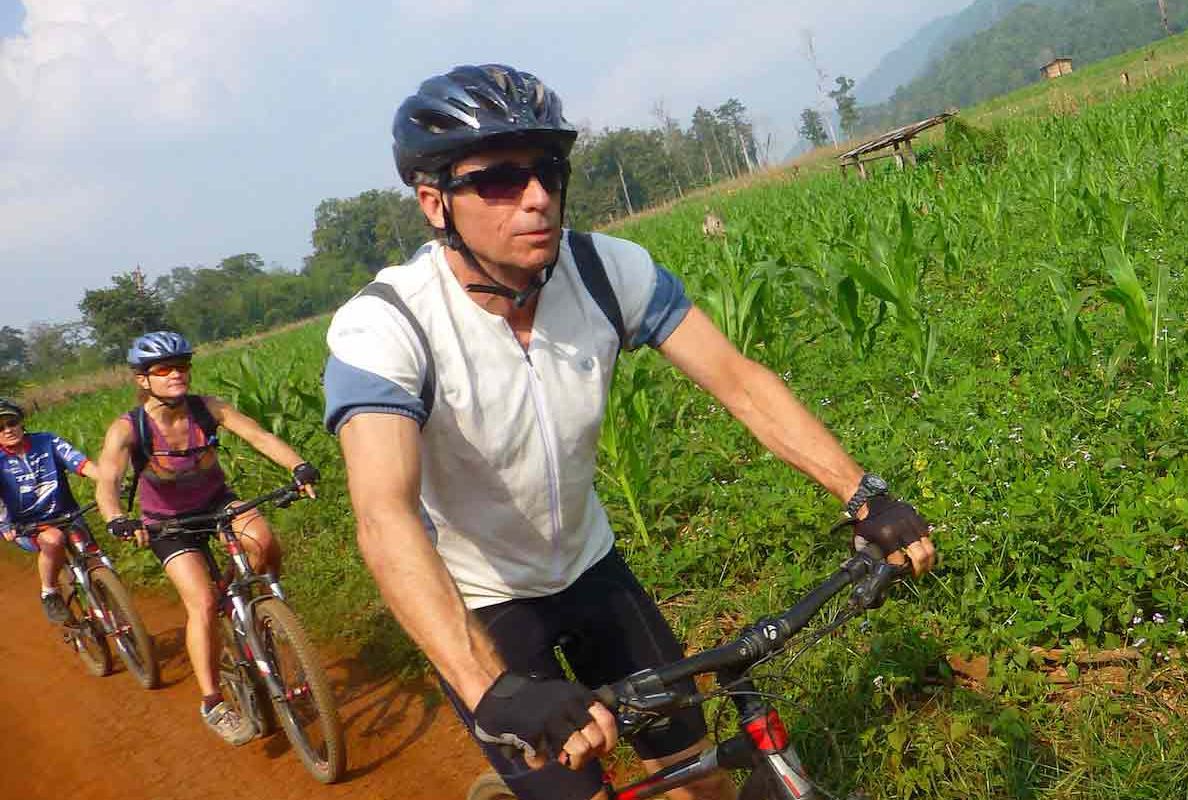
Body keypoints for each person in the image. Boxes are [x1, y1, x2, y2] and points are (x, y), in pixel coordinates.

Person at [324, 64, 937, 800]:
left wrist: (864, 494)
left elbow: (739, 382)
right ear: (434, 203)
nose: (538, 198)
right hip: (482, 602)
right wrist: (492, 689)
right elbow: (383, 515)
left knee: (697, 779)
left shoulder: (607, 272)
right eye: (498, 180)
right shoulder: (387, 325)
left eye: (550, 172)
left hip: (591, 567)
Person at [93, 331, 321, 746]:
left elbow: (259, 436)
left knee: (264, 541)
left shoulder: (207, 408)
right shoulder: (129, 428)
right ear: (143, 379)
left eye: (182, 366)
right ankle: (213, 701)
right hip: (167, 523)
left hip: (218, 502)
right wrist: (117, 519)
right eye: (164, 369)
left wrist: (299, 466)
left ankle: (259, 607)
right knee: (200, 603)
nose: (177, 374)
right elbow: (107, 479)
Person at [0, 397, 101, 624]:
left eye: (11, 422)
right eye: (0, 427)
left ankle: (118, 617)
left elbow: (81, 463)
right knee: (54, 540)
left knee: (97, 562)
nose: (8, 430)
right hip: (28, 526)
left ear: (21, 422)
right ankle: (49, 593)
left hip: (68, 514)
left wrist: (107, 481)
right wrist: (4, 525)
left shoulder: (47, 441)